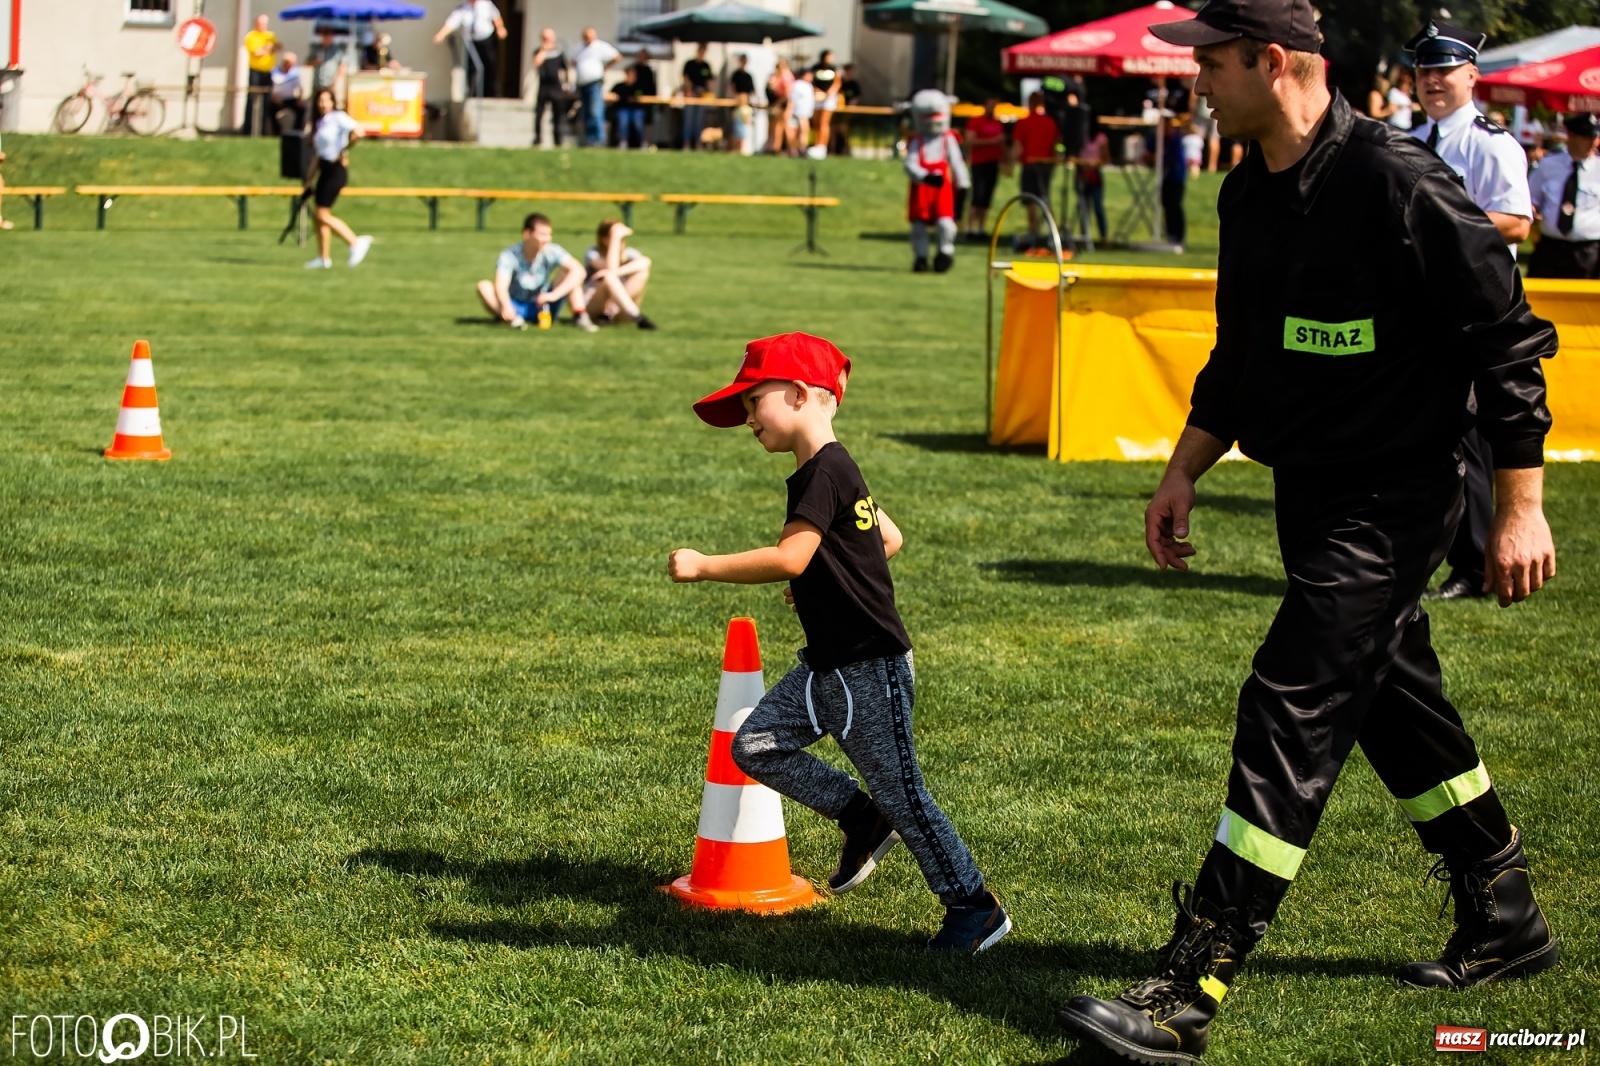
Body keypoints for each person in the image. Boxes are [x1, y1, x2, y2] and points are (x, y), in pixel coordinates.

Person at [1054, 1, 1560, 1061]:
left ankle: (1193, 978)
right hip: (1310, 493)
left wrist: (1518, 507)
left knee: (1290, 699)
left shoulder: (1397, 181)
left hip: (1398, 496)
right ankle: (1502, 906)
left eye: (1210, 65)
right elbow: (1241, 349)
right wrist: (1183, 467)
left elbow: (1509, 341)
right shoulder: (1249, 192)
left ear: (1272, 62)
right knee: (1389, 700)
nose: (1195, 83)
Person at [670, 332, 1012, 954]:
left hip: (868, 667)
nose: (747, 417)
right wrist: (830, 576)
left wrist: (703, 565)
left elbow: (790, 556)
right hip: (826, 664)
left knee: (904, 793)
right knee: (757, 745)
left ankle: (974, 906)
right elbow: (888, 537)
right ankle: (860, 818)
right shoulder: (833, 467)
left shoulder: (822, 472)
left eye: (753, 401)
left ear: (800, 394)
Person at [1407, 22, 1535, 602]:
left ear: (1472, 75)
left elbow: (1518, 221)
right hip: (1421, 306)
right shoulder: (1410, 139)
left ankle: (1476, 562)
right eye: (1424, 71)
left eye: (1445, 70)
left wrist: (1441, 228)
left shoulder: (1491, 142)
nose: (1433, 81)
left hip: (1475, 306)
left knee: (1472, 438)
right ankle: (1433, 554)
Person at [476, 213, 598, 332]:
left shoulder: (552, 250)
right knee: (484, 286)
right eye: (542, 234)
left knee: (570, 274)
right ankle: (512, 319)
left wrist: (553, 295)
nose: (547, 239)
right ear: (527, 234)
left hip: (543, 304)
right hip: (515, 303)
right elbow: (501, 286)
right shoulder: (509, 255)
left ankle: (580, 316)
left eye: (549, 234)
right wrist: (506, 305)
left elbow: (579, 271)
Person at [302, 89, 373, 271]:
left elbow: (359, 132)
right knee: (319, 217)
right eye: (320, 100)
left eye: (327, 100)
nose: (323, 104)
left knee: (322, 214)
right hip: (324, 168)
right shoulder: (320, 123)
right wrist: (309, 180)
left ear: (333, 102)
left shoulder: (338, 117)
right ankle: (323, 258)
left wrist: (344, 150)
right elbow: (317, 155)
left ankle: (355, 242)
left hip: (336, 169)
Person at [1527, 113, 1600, 279]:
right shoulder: (1548, 165)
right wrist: (1532, 210)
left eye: (1595, 137)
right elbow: (1532, 199)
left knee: (1585, 304)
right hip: (1550, 249)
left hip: (1588, 252)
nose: (1593, 142)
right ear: (1571, 136)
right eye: (1587, 137)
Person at [582, 220, 656, 329]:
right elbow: (611, 268)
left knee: (642, 272)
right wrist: (615, 239)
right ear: (604, 239)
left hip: (618, 309)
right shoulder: (593, 253)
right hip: (594, 308)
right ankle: (637, 316)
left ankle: (614, 313)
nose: (621, 241)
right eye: (613, 237)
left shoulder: (629, 253)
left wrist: (617, 272)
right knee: (609, 278)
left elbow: (645, 262)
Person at [1012, 92, 1059, 248]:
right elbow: (1056, 145)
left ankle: (1034, 233)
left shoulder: (1025, 122)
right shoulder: (1050, 122)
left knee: (1031, 201)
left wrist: (1010, 163)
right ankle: (1053, 233)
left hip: (1030, 164)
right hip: (1046, 165)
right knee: (1044, 199)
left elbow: (1018, 146)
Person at [433, 0, 506, 98]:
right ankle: (473, 93)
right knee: (472, 68)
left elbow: (496, 16)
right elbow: (452, 22)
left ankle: (491, 93)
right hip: (470, 41)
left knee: (490, 65)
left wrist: (500, 28)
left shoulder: (486, 4)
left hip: (486, 39)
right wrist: (441, 34)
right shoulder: (462, 8)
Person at [963, 98, 1005, 239]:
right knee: (977, 195)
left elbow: (1002, 143)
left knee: (987, 196)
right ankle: (970, 227)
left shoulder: (998, 123)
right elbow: (970, 141)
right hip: (979, 162)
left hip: (993, 163)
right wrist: (991, 141)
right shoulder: (976, 121)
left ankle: (981, 227)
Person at [1148, 111, 1190, 249]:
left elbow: (1173, 158)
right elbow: (1149, 151)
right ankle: (1170, 234)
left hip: (1175, 176)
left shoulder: (1174, 138)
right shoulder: (1157, 138)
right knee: (1166, 205)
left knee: (1175, 206)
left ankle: (1178, 236)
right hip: (1164, 177)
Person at [572, 28, 620, 147]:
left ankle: (599, 139)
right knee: (586, 112)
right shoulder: (579, 48)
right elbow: (572, 60)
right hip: (582, 84)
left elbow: (617, 56)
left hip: (595, 83)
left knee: (595, 111)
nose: (589, 39)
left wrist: (605, 68)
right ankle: (589, 139)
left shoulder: (600, 46)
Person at [242, 15, 280, 136]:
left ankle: (264, 131)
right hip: (255, 71)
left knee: (266, 101)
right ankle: (247, 130)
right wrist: (267, 47)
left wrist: (270, 47)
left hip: (268, 72)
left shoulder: (270, 36)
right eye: (261, 23)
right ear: (256, 23)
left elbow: (279, 47)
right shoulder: (251, 36)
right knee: (252, 99)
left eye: (265, 24)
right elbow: (256, 52)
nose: (263, 26)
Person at [532, 29, 569, 148]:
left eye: (549, 37)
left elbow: (564, 69)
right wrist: (544, 50)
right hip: (543, 86)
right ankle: (537, 139)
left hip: (556, 87)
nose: (547, 40)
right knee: (539, 114)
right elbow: (536, 63)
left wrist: (567, 84)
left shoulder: (558, 53)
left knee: (558, 115)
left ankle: (558, 140)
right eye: (545, 38)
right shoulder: (538, 52)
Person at [1074, 124, 1109, 243]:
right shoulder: (1080, 136)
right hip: (1082, 173)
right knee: (1083, 208)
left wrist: (1094, 165)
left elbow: (1106, 158)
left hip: (1094, 174)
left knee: (1098, 207)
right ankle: (1085, 237)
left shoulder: (1100, 138)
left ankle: (1103, 237)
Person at [680, 43, 714, 151]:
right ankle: (687, 143)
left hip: (701, 97)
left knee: (699, 121)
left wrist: (707, 92)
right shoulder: (690, 64)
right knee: (688, 121)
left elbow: (709, 82)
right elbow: (685, 78)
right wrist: (691, 89)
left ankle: (698, 143)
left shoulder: (706, 66)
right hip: (690, 96)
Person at [811, 49, 840, 157]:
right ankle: (816, 144)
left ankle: (823, 146)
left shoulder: (833, 68)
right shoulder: (816, 68)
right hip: (817, 96)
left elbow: (837, 82)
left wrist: (829, 93)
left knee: (824, 122)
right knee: (816, 122)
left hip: (828, 98)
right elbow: (811, 80)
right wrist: (816, 91)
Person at [270, 52, 307, 134]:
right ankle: (276, 132)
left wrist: (300, 99)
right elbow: (271, 87)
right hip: (277, 99)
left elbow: (301, 88)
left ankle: (296, 132)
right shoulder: (275, 71)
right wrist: (274, 97)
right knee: (269, 110)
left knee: (301, 110)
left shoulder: (295, 73)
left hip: (290, 99)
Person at [612, 65, 648, 149]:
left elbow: (642, 97)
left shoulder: (640, 87)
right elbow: (612, 95)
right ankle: (623, 141)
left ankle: (643, 142)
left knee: (638, 118)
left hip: (636, 110)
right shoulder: (619, 86)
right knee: (623, 117)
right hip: (624, 109)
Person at [730, 54, 757, 156]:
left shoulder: (748, 76)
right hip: (737, 103)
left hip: (745, 103)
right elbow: (731, 86)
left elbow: (752, 90)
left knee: (743, 133)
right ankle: (735, 148)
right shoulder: (736, 74)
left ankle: (742, 148)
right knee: (735, 131)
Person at [832, 63, 861, 156]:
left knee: (843, 129)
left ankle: (844, 149)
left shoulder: (854, 84)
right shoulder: (840, 83)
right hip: (838, 110)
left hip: (848, 111)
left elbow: (856, 98)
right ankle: (833, 150)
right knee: (834, 129)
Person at [766, 59, 794, 154]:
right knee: (777, 126)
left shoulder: (786, 77)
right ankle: (775, 147)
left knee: (785, 126)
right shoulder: (778, 77)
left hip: (784, 104)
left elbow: (787, 93)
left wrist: (778, 103)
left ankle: (791, 148)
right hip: (780, 104)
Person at [787, 68, 816, 156]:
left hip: (806, 113)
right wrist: (789, 111)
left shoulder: (809, 86)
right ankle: (801, 148)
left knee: (804, 130)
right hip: (798, 112)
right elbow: (792, 99)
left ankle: (800, 148)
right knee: (802, 130)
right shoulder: (797, 85)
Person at [1387, 65, 1415, 129]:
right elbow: (1391, 109)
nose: (1407, 86)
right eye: (1405, 83)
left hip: (1406, 126)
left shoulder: (1407, 95)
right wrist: (1403, 106)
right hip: (1395, 125)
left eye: (1409, 84)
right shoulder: (1394, 92)